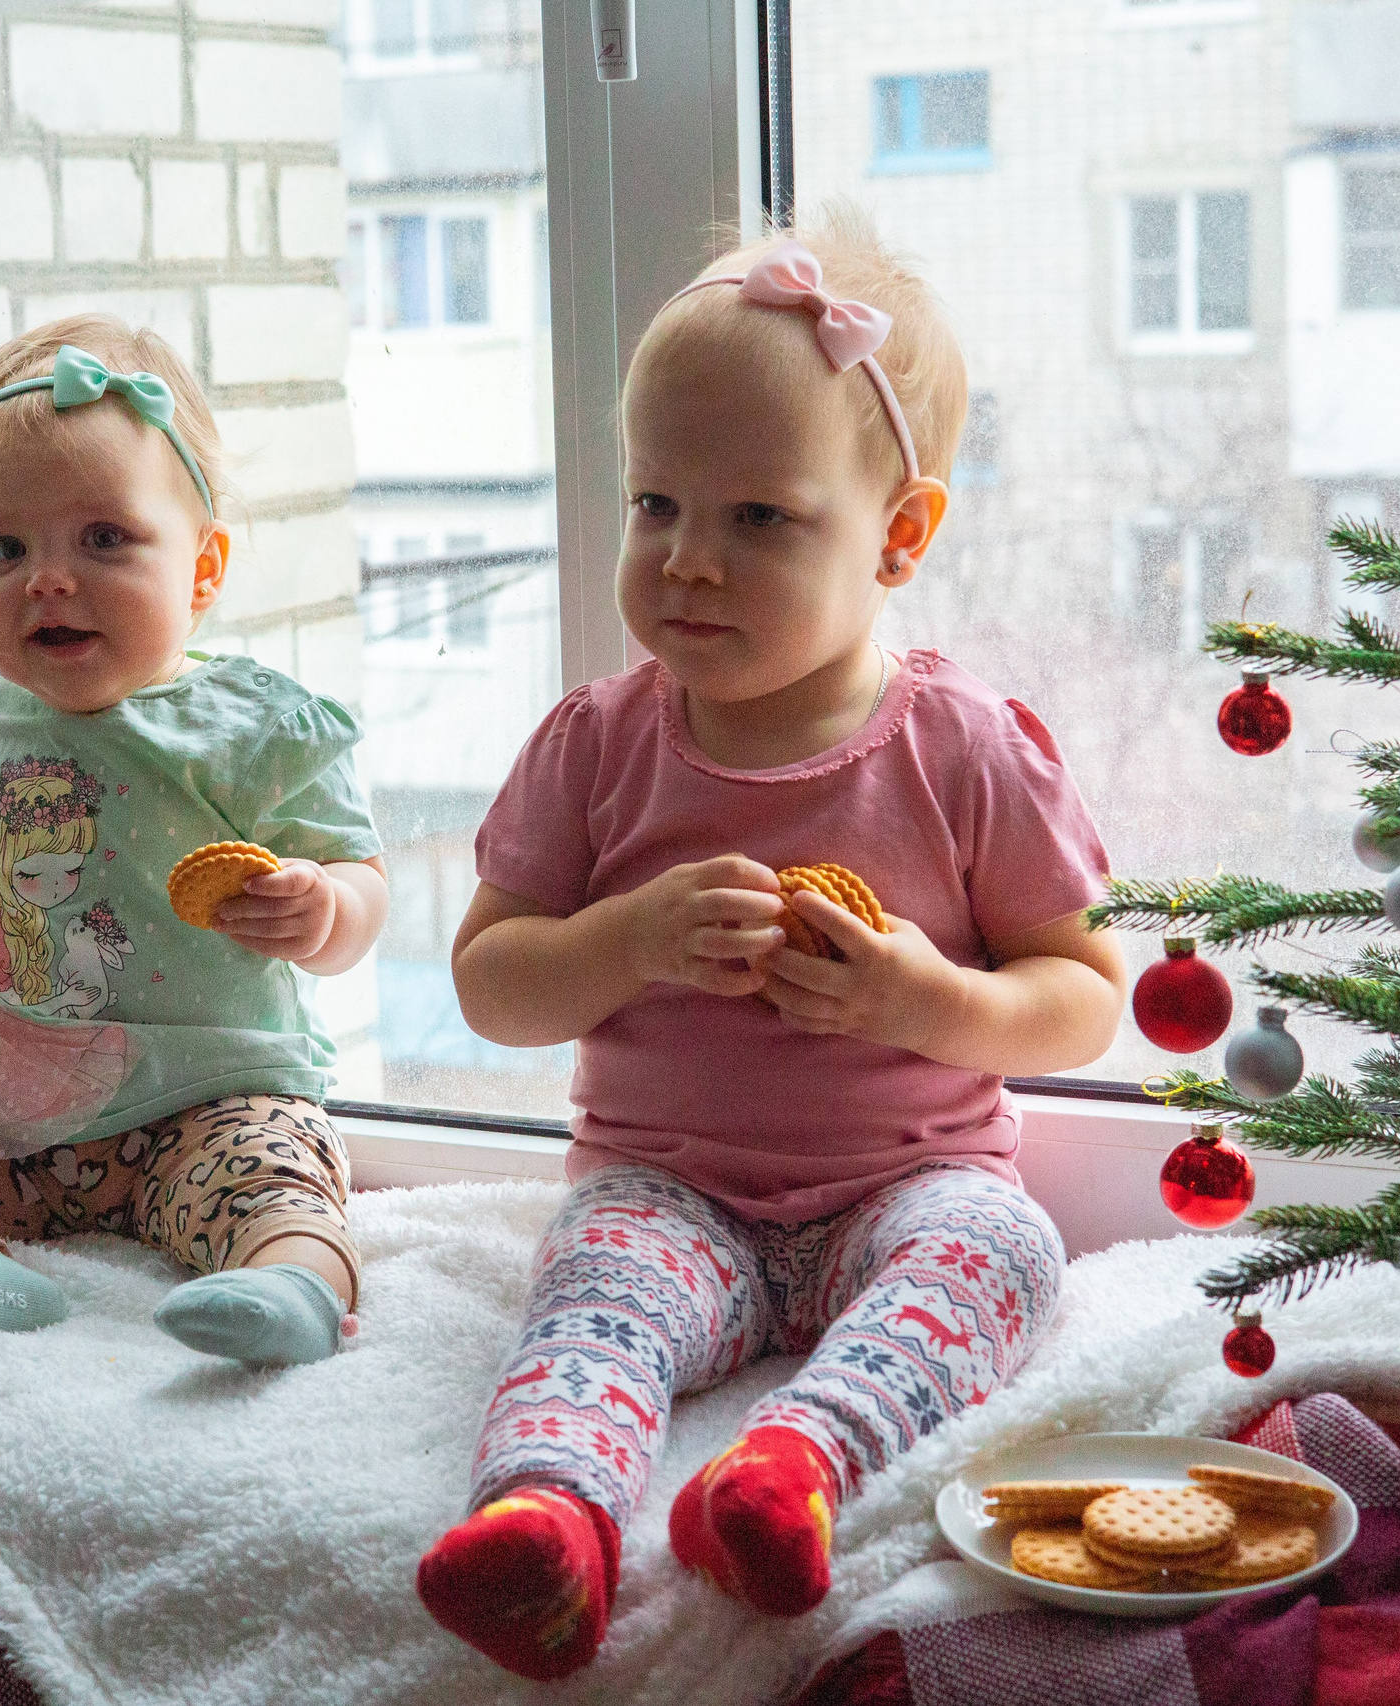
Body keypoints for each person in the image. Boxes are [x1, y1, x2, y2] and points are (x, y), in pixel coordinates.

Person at [415, 213, 1124, 1677]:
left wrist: (923, 995)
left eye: (758, 519)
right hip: (669, 1189)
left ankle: (788, 1469)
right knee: (595, 1297)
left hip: (905, 1183)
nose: (687, 561)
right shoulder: (600, 742)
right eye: (655, 503)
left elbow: (1082, 998)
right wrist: (624, 940)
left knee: (1001, 1246)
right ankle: (547, 1521)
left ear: (900, 537)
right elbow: (491, 982)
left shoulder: (961, 746)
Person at [0, 314, 387, 1368]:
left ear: (203, 570)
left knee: (274, 1171)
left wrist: (325, 905)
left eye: (103, 538)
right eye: (2, 548)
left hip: (202, 1100)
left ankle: (292, 1279)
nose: (47, 578)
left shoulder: (254, 727)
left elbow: (359, 880)